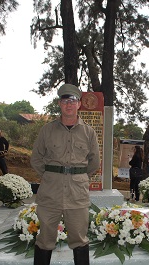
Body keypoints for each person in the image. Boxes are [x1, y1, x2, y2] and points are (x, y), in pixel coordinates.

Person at [31, 83, 100, 265]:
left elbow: (94, 162)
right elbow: (36, 159)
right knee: (45, 238)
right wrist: (50, 177)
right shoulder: (47, 130)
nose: (68, 104)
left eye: (73, 100)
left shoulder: (89, 132)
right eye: (64, 101)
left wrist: (79, 178)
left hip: (77, 194)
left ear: (79, 104)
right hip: (50, 193)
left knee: (79, 239)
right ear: (59, 104)